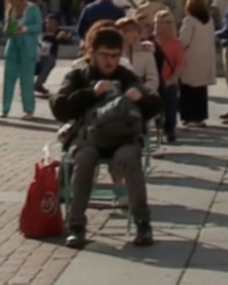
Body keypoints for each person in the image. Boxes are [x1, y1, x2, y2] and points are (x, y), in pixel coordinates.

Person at [51, 26, 162, 249]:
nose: (110, 61)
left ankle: (142, 222)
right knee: (85, 160)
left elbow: (155, 105)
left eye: (115, 56)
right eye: (104, 55)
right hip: (88, 139)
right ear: (91, 53)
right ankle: (76, 226)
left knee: (131, 157)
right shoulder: (79, 75)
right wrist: (90, 94)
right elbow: (59, 107)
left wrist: (141, 99)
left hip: (121, 139)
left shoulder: (125, 75)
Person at [1, 0, 42, 120]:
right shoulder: (11, 9)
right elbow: (8, 27)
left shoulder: (32, 9)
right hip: (12, 47)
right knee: (8, 79)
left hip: (27, 48)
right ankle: (5, 109)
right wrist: (9, 29)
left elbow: (39, 26)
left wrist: (25, 28)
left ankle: (29, 110)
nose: (9, 0)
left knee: (26, 80)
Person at [177, 0, 216, 128]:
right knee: (201, 90)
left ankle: (188, 116)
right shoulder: (209, 19)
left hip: (191, 58)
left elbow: (184, 41)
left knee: (188, 89)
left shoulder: (190, 20)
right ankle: (200, 117)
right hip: (205, 58)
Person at [153, 10, 185, 143]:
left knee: (170, 100)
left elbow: (179, 65)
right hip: (153, 79)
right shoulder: (150, 41)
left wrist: (172, 80)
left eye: (167, 22)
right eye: (160, 22)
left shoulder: (176, 43)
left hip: (167, 80)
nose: (163, 25)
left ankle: (169, 128)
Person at [117, 15, 159, 91]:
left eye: (136, 31)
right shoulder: (113, 53)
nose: (135, 34)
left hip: (141, 95)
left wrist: (140, 91)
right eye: (129, 31)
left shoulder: (145, 51)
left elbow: (153, 79)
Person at [36, 13, 71, 98]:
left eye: (53, 24)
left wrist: (66, 37)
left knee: (51, 61)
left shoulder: (57, 33)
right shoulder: (42, 33)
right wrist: (57, 38)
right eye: (48, 23)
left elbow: (65, 41)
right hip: (34, 61)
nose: (50, 26)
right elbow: (46, 41)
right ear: (45, 23)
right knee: (50, 60)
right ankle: (34, 85)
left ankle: (38, 85)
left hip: (43, 62)